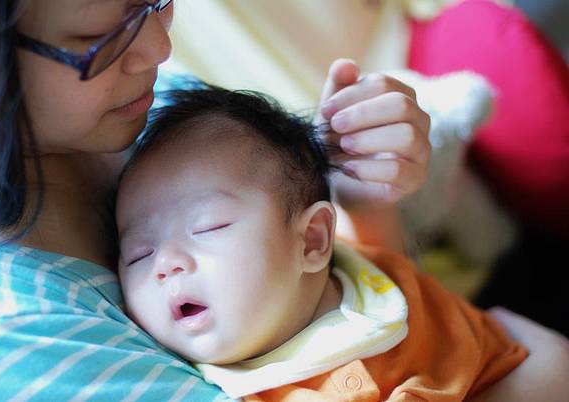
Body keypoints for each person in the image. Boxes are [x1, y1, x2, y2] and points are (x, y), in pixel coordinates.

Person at [0, 0, 566, 401]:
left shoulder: (161, 111)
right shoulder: (16, 337)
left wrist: (366, 202)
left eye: (150, 3)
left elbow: (330, 281)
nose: (157, 47)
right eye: (97, 34)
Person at [169, 0, 569, 334]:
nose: (154, 40)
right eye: (138, 255)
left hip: (451, 264)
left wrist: (364, 200)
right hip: (422, 294)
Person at [115, 84, 528, 401]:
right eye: (137, 254)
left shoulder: (360, 266)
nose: (164, 262)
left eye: (208, 227)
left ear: (312, 241)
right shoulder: (230, 388)